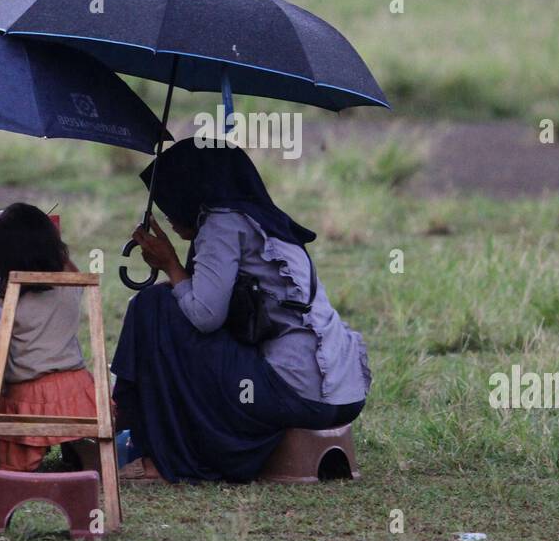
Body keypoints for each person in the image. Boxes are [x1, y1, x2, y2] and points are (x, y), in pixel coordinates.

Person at [112, 139, 370, 483]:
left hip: (297, 392)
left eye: (172, 200)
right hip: (347, 395)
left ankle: (155, 456)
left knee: (152, 307)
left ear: (196, 191)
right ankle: (140, 436)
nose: (169, 216)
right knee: (166, 306)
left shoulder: (222, 223)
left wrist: (171, 265)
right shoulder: (268, 221)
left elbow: (206, 316)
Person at [0, 203, 96, 473]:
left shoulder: (3, 300)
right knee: (90, 458)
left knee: (8, 469)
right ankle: (85, 449)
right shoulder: (71, 285)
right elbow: (62, 259)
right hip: (77, 392)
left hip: (26, 397)